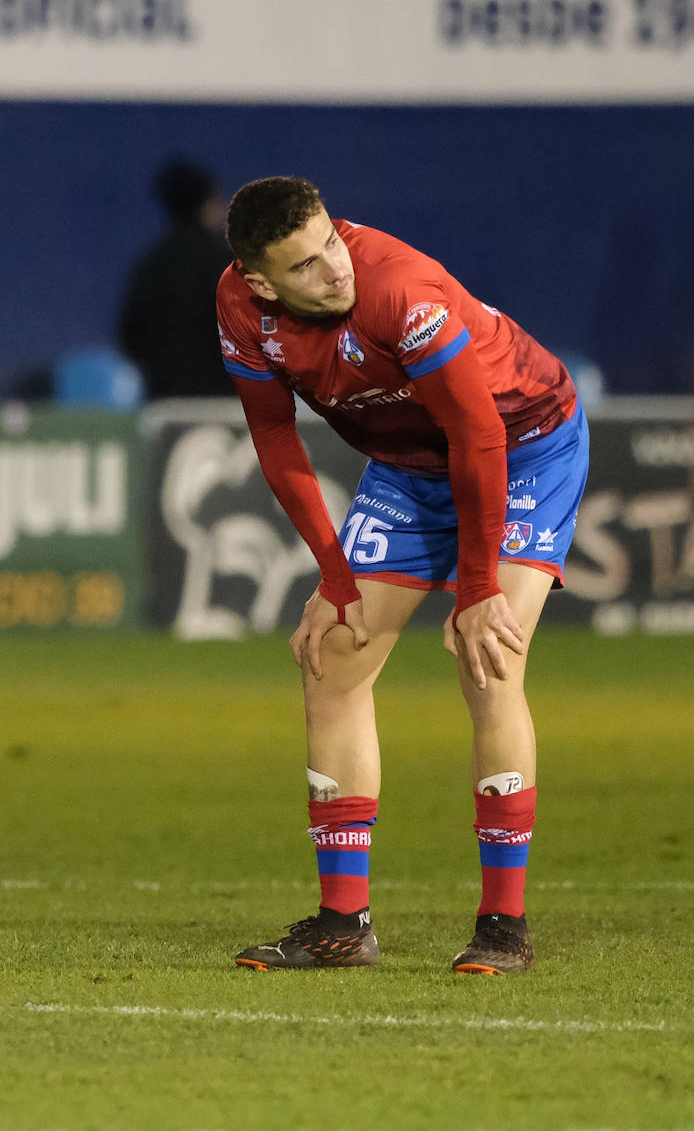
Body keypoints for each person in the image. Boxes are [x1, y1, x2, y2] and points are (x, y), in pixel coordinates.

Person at [215, 177, 588, 974]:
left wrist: (480, 589)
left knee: (490, 662)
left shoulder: (398, 290)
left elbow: (477, 433)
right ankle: (343, 924)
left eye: (330, 247)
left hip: (523, 444)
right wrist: (333, 575)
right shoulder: (241, 314)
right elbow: (276, 441)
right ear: (258, 281)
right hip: (408, 467)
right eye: (305, 268)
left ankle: (503, 925)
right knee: (333, 657)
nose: (332, 271)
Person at [120, 158, 233, 398]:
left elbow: (129, 337)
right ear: (207, 204)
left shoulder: (150, 267)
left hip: (166, 401)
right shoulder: (227, 265)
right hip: (225, 406)